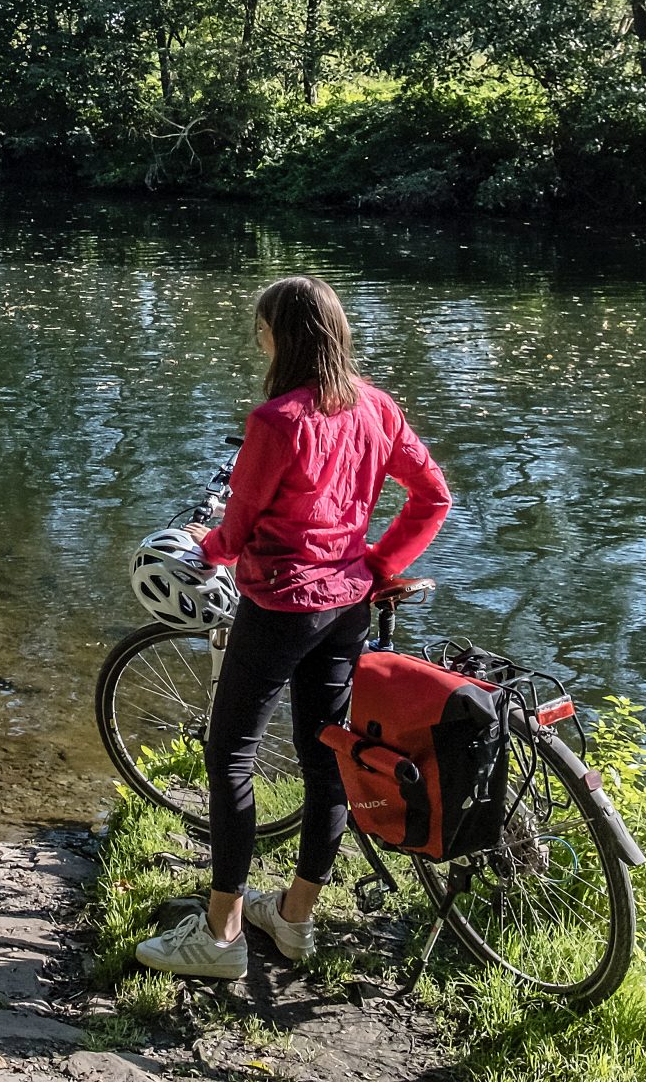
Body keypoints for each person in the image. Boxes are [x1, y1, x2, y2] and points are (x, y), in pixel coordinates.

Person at [137, 274, 451, 980]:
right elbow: (433, 496)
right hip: (346, 607)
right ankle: (293, 919)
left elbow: (240, 526)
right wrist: (376, 565)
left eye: (262, 329)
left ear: (279, 337)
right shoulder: (375, 406)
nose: (259, 340)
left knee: (230, 758)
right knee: (324, 757)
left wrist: (201, 544)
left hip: (279, 606)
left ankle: (217, 937)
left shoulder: (276, 420)